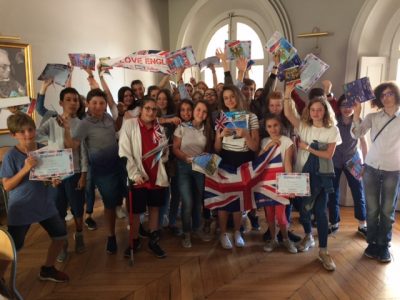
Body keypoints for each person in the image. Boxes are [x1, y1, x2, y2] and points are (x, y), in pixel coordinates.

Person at [0, 113, 69, 283]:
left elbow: (46, 177)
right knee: (13, 246)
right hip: (22, 208)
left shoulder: (43, 150)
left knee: (60, 235)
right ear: (13, 135)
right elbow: (7, 185)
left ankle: (48, 269)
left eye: (30, 129)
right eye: (21, 132)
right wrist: (25, 168)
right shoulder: (11, 156)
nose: (27, 134)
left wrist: (53, 179)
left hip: (44, 204)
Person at [284, 83, 341, 271]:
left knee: (321, 212)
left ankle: (324, 250)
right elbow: (289, 114)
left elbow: (328, 155)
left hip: (322, 176)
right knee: (304, 210)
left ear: (325, 111)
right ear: (309, 111)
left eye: (319, 110)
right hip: (303, 175)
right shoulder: (303, 126)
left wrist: (308, 148)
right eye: (313, 110)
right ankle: (308, 236)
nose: (316, 113)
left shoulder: (332, 130)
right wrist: (287, 92)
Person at [65, 88, 127, 254]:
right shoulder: (84, 123)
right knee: (109, 205)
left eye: (101, 103)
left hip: (118, 165)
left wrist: (120, 115)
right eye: (94, 103)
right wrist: (65, 129)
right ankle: (111, 236)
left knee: (120, 199)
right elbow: (73, 146)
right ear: (87, 104)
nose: (98, 106)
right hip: (102, 171)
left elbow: (115, 128)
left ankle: (128, 230)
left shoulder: (107, 117)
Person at [36, 87, 88, 262]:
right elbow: (36, 135)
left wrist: (83, 175)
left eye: (75, 99)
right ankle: (63, 243)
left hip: (75, 173)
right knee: (58, 211)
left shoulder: (81, 124)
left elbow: (78, 150)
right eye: (69, 99)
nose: (73, 103)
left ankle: (79, 235)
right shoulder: (51, 121)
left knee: (78, 209)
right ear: (61, 103)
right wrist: (48, 148)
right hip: (56, 175)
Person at [351, 81, 400, 263]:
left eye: (390, 94)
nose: (386, 97)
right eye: (383, 95)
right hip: (371, 168)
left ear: (396, 95)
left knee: (387, 211)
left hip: (393, 170)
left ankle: (384, 245)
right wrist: (356, 115)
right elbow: (356, 134)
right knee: (372, 210)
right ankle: (372, 242)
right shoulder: (373, 117)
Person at [119, 98, 169, 258]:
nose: (151, 112)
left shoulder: (159, 128)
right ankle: (134, 241)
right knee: (136, 212)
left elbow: (164, 155)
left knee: (154, 208)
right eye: (148, 108)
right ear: (141, 110)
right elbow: (124, 152)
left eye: (154, 110)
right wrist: (134, 174)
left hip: (156, 175)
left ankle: (153, 241)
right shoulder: (130, 124)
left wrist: (165, 152)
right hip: (139, 176)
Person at [214, 85, 260, 249]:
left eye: (232, 96)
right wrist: (219, 136)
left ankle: (237, 232)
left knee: (239, 200)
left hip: (244, 160)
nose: (230, 100)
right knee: (224, 199)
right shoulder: (221, 117)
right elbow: (217, 148)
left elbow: (255, 147)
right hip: (226, 159)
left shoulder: (251, 117)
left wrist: (246, 134)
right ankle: (223, 233)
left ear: (238, 96)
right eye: (226, 98)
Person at [173, 100, 214, 248]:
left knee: (198, 201)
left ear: (206, 115)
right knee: (187, 202)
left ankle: (197, 229)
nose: (200, 113)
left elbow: (210, 150)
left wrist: (204, 155)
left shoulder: (208, 130)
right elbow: (175, 148)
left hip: (200, 167)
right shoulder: (182, 127)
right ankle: (186, 232)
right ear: (193, 110)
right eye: (198, 110)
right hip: (183, 167)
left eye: (204, 111)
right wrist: (186, 158)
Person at [328, 95, 367, 236]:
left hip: (353, 161)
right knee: (333, 192)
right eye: (343, 105)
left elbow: (363, 143)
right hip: (335, 160)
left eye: (350, 105)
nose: (347, 108)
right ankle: (334, 222)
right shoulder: (333, 121)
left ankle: (362, 224)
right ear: (339, 107)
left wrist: (364, 164)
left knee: (358, 191)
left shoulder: (359, 121)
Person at [260, 114, 297, 254]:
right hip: (266, 182)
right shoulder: (264, 141)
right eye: (269, 126)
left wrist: (290, 186)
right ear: (266, 128)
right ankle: (273, 239)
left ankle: (286, 239)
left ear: (280, 126)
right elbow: (259, 162)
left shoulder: (286, 141)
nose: (273, 129)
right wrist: (268, 146)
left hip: (281, 182)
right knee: (269, 214)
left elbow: (288, 164)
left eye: (275, 125)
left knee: (281, 215)